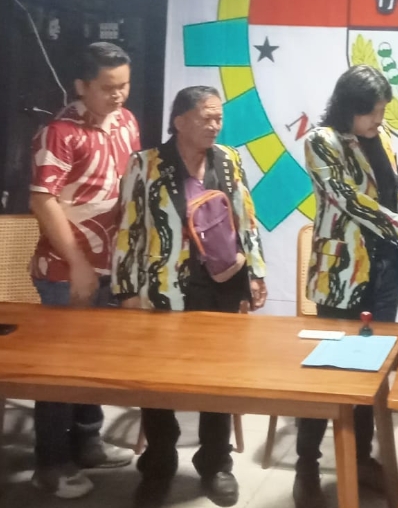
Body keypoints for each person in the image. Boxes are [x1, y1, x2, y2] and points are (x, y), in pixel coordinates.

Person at [294, 65, 398, 508]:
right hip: (343, 274)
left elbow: (394, 187)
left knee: (370, 370)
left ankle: (361, 459)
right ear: (350, 108)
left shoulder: (381, 137)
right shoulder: (321, 141)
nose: (379, 121)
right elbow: (350, 199)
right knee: (327, 373)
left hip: (383, 270)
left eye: (382, 112)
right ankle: (307, 466)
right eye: (373, 113)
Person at [112, 86, 267, 508]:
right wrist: (126, 290)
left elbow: (246, 219)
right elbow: (129, 229)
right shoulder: (145, 163)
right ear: (179, 121)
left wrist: (256, 274)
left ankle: (216, 463)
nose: (215, 126)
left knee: (218, 379)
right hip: (163, 287)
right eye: (206, 118)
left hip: (223, 283)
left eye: (219, 118)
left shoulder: (228, 159)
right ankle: (159, 462)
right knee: (157, 380)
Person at [29, 42, 138, 499]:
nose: (118, 95)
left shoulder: (127, 122)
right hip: (65, 269)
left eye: (124, 85)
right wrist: (77, 264)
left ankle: (88, 442)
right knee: (59, 368)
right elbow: (42, 200)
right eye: (108, 87)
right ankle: (50, 463)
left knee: (91, 362)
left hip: (112, 264)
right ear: (81, 85)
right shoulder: (58, 133)